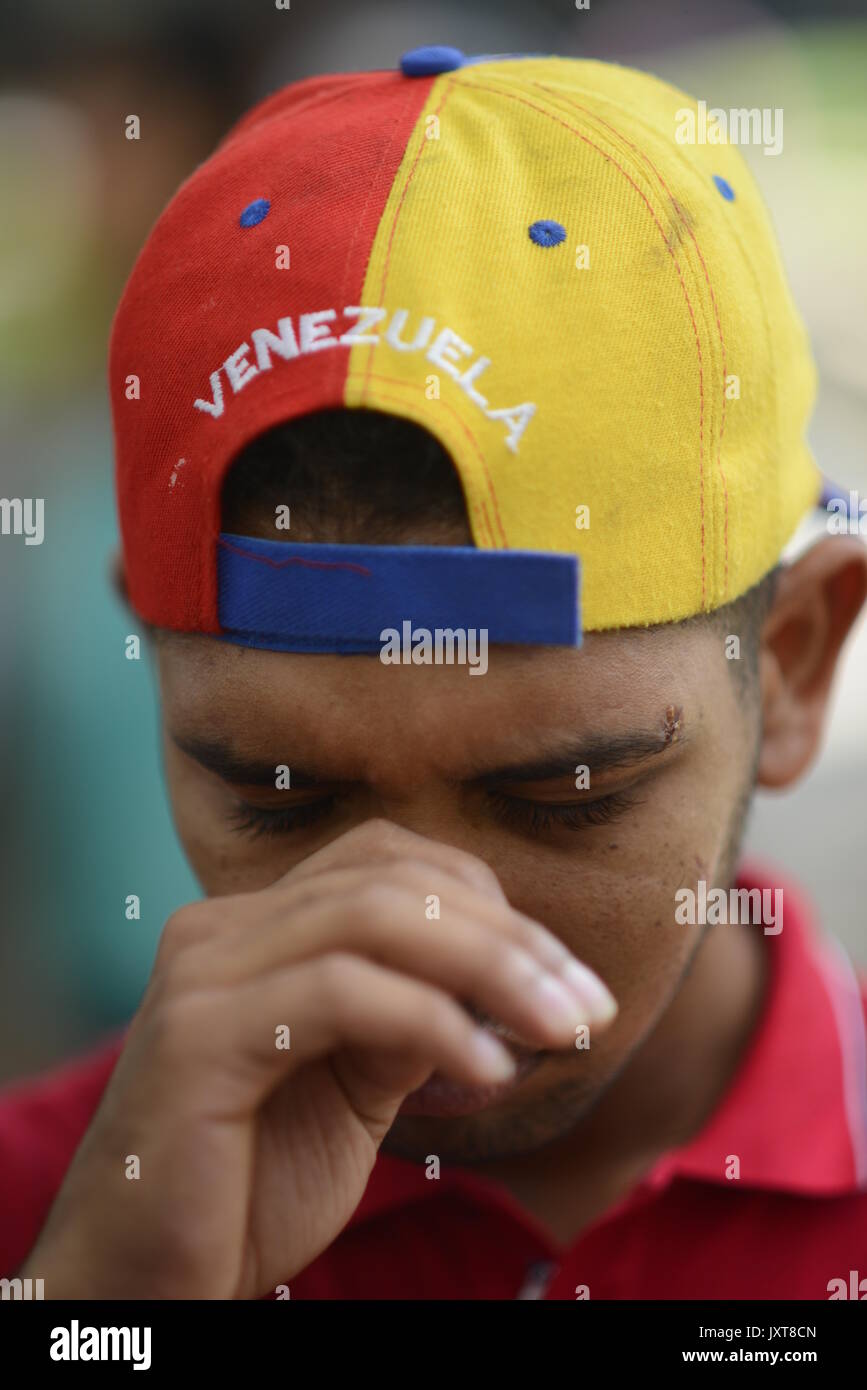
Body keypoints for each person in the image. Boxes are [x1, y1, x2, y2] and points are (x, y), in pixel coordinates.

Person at [3, 48, 866, 1301]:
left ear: (790, 667)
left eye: (568, 798)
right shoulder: (55, 1222)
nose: (422, 929)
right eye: (280, 797)